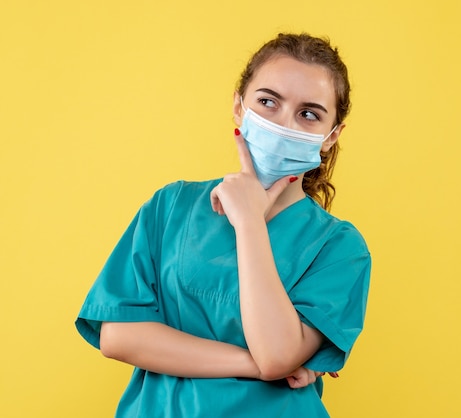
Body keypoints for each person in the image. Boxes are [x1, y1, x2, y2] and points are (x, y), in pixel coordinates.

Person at [75, 32, 371, 417]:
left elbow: (277, 353)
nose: (284, 125)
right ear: (238, 106)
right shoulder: (172, 205)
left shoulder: (339, 248)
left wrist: (249, 223)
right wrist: (254, 364)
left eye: (309, 114)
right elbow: (119, 336)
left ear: (331, 136)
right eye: (268, 102)